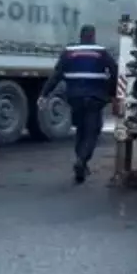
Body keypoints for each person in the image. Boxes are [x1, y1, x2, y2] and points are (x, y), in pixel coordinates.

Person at [38, 24, 119, 183]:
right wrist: (111, 92)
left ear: (80, 36)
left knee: (81, 131)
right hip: (95, 98)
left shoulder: (69, 52)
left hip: (74, 98)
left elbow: (56, 75)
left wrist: (44, 94)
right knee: (92, 132)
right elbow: (115, 72)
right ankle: (82, 160)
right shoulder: (101, 53)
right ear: (93, 35)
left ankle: (80, 162)